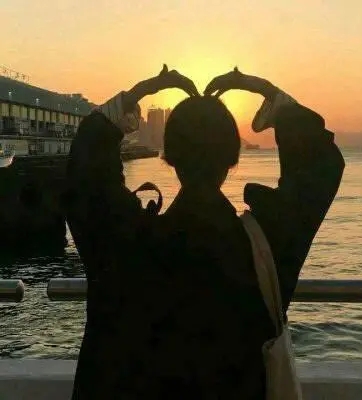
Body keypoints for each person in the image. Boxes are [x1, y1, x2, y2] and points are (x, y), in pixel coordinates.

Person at [66, 66, 345, 399]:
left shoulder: (126, 240)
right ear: (232, 158)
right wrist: (266, 91)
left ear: (169, 157)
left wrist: (139, 93)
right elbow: (321, 165)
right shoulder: (263, 247)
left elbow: (86, 171)